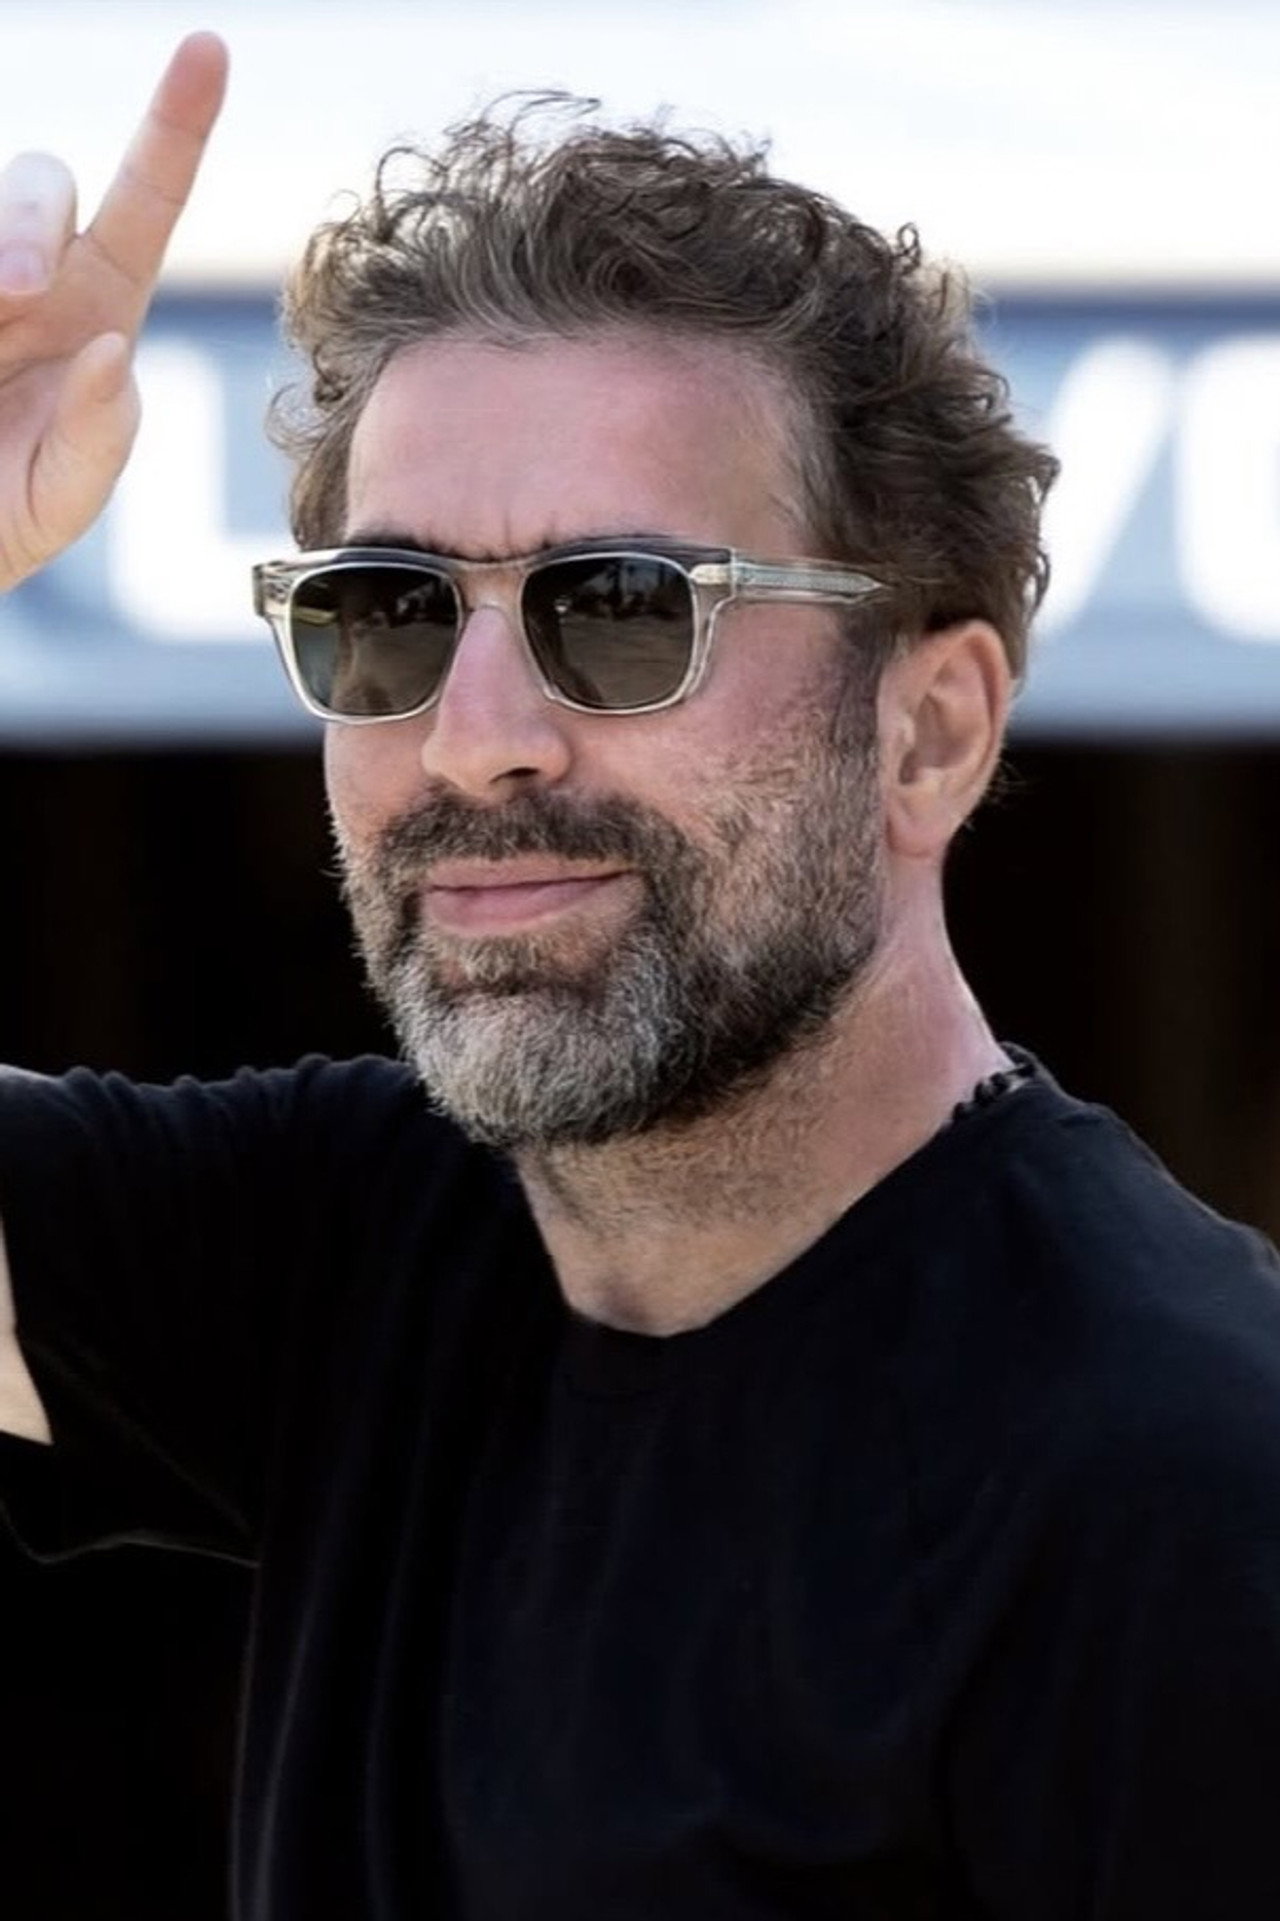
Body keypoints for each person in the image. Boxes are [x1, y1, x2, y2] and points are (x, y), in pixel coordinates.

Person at [2, 31, 1280, 1921]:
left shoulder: (1174, 1488)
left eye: (620, 611)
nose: (476, 739)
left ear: (929, 733)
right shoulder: (368, 1248)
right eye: (387, 614)